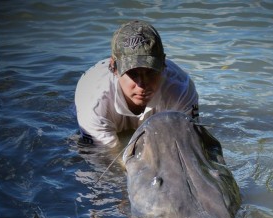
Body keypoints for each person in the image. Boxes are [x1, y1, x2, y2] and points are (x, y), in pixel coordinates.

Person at [75, 20, 200, 148]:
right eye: (133, 74)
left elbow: (187, 145)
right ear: (114, 68)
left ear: (163, 64)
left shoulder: (181, 89)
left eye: (151, 72)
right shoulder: (93, 101)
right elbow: (105, 158)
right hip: (97, 114)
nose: (142, 85)